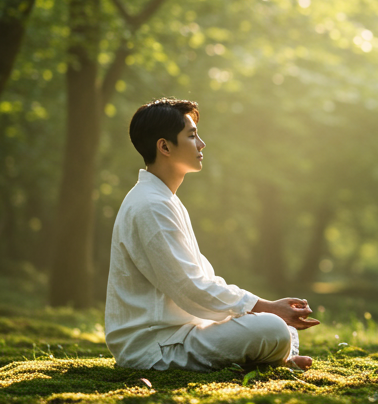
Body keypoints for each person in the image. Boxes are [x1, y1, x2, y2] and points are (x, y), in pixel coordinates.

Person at [104, 97, 319, 371]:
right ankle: (278, 358)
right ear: (165, 146)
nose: (201, 143)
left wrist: (264, 307)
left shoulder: (165, 200)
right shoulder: (151, 205)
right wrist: (266, 307)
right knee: (272, 327)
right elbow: (191, 289)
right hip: (154, 346)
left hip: (183, 332)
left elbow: (204, 279)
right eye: (192, 135)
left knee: (279, 327)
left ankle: (279, 357)